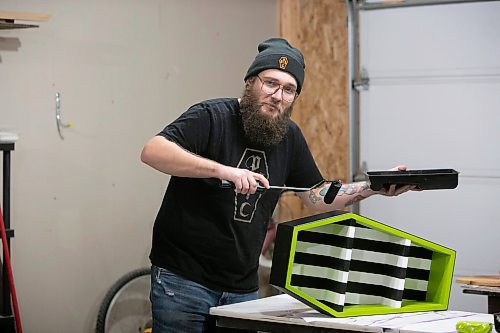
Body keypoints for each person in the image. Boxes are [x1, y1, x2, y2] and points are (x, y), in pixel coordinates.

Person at [140, 37, 414, 333]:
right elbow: (153, 151)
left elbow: (316, 196)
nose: (277, 96)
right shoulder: (212, 116)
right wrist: (225, 171)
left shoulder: (290, 137)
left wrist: (372, 187)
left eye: (288, 89)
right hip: (183, 281)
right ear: (250, 82)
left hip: (241, 286)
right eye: (270, 83)